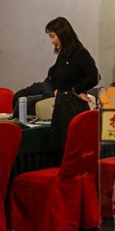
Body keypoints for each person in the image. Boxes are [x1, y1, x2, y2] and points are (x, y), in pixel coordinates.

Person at [45, 17, 99, 155]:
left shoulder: (80, 53)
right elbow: (53, 73)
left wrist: (76, 90)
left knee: (74, 148)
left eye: (53, 36)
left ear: (62, 34)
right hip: (61, 105)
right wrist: (56, 90)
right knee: (60, 149)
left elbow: (94, 76)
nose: (51, 41)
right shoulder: (63, 53)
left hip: (74, 107)